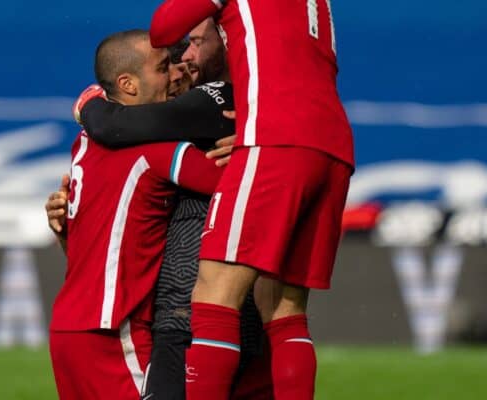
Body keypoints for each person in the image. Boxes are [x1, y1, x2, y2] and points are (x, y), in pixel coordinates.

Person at [48, 23, 271, 400]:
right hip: (115, 325)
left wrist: (62, 227)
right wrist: (260, 151)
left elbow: (91, 239)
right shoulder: (160, 151)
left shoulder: (83, 143)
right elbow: (248, 188)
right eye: (164, 66)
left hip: (68, 325)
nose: (178, 70)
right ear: (130, 84)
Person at [150, 1, 355, 399]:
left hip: (275, 137)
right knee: (284, 311)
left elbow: (162, 29)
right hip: (332, 146)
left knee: (213, 296)